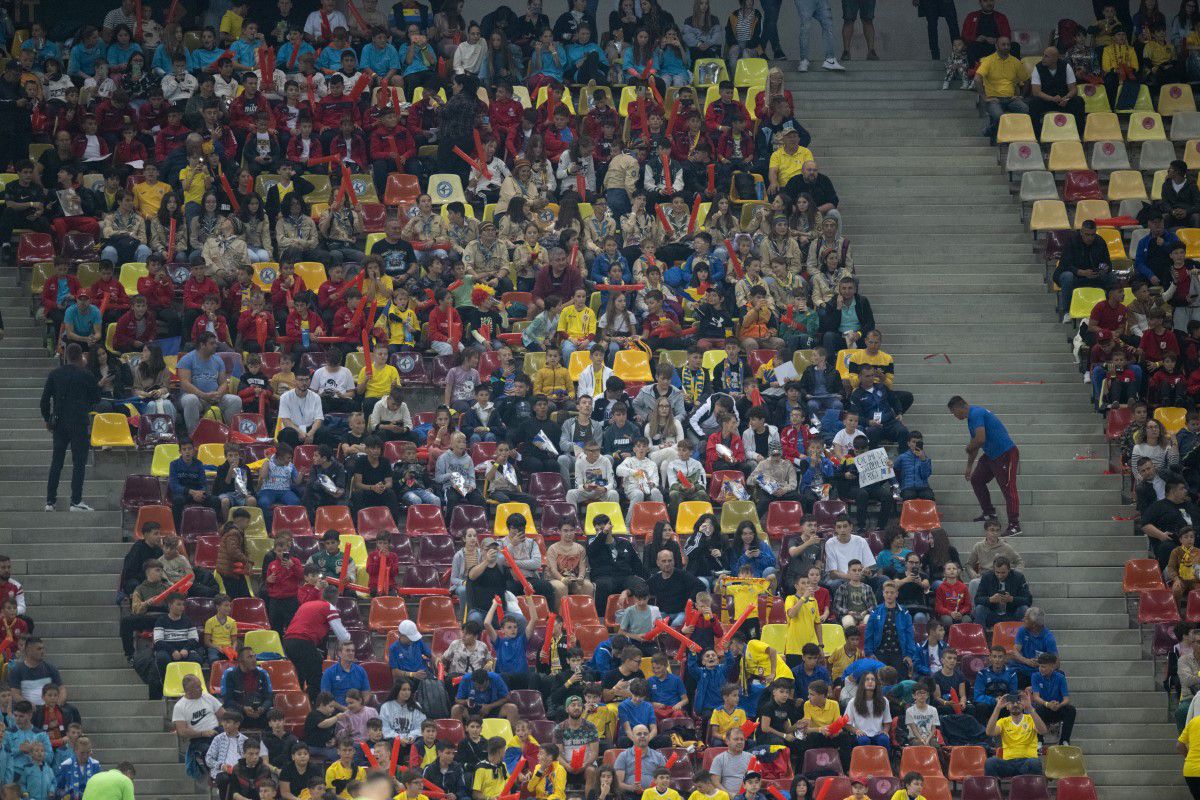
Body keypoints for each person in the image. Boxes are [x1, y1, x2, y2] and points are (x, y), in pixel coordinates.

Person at [948, 395, 1021, 536]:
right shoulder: (971, 419)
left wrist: (968, 447)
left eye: (953, 412)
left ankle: (1014, 524)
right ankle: (989, 512)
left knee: (1008, 487)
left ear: (959, 408)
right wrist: (969, 466)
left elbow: (980, 439)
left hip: (1005, 453)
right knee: (977, 479)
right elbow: (975, 443)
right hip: (992, 455)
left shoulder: (976, 413)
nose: (954, 416)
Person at [40, 343, 100, 513]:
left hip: (59, 423)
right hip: (79, 423)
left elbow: (44, 401)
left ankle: (50, 502)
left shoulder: (55, 374)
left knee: (56, 462)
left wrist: (47, 418)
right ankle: (76, 501)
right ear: (81, 357)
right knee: (79, 463)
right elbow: (96, 397)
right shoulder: (86, 375)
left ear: (65, 356)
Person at [283, 586, 353, 701]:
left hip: (287, 642)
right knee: (315, 676)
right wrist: (351, 644)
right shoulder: (329, 607)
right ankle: (314, 705)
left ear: (322, 595)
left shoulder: (307, 604)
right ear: (337, 598)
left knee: (299, 674)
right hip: (303, 642)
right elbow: (343, 636)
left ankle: (298, 704)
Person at [974, 36, 1028, 143]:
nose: (1006, 47)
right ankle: (995, 133)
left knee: (1024, 109)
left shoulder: (1015, 62)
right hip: (993, 99)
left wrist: (1022, 95)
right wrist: (984, 97)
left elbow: (1027, 80)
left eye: (1008, 45)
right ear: (996, 46)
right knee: (999, 116)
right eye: (1003, 45)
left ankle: (990, 130)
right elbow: (977, 79)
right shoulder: (988, 60)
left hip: (1011, 98)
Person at [984, 693, 1046, 777]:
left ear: (1024, 705)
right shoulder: (1003, 721)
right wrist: (997, 708)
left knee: (1034, 762)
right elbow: (989, 732)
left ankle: (1034, 790)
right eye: (1012, 702)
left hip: (1028, 761)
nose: (1015, 704)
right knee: (990, 762)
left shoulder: (1031, 719)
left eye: (1019, 702)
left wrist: (1030, 707)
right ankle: (995, 789)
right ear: (1007, 706)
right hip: (1008, 763)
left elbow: (1043, 731)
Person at [1027, 46, 1085, 134]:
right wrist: (1052, 98)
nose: (1043, 58)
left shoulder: (1066, 66)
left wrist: (1066, 98)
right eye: (1043, 55)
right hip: (1046, 101)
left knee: (1079, 101)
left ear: (1055, 59)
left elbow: (1073, 90)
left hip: (1063, 101)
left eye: (1046, 56)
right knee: (1034, 103)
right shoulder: (1038, 67)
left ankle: (1079, 134)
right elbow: (1036, 92)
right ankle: (1037, 135)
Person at [973, 556, 1032, 627]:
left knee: (1024, 609)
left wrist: (1011, 599)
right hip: (993, 613)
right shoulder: (987, 577)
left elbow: (1028, 600)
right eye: (997, 572)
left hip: (1011, 614)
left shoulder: (1018, 577)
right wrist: (990, 599)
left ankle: (1022, 636)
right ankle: (980, 636)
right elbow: (977, 599)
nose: (1000, 576)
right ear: (994, 569)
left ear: (1009, 570)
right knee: (979, 609)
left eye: (1003, 573)